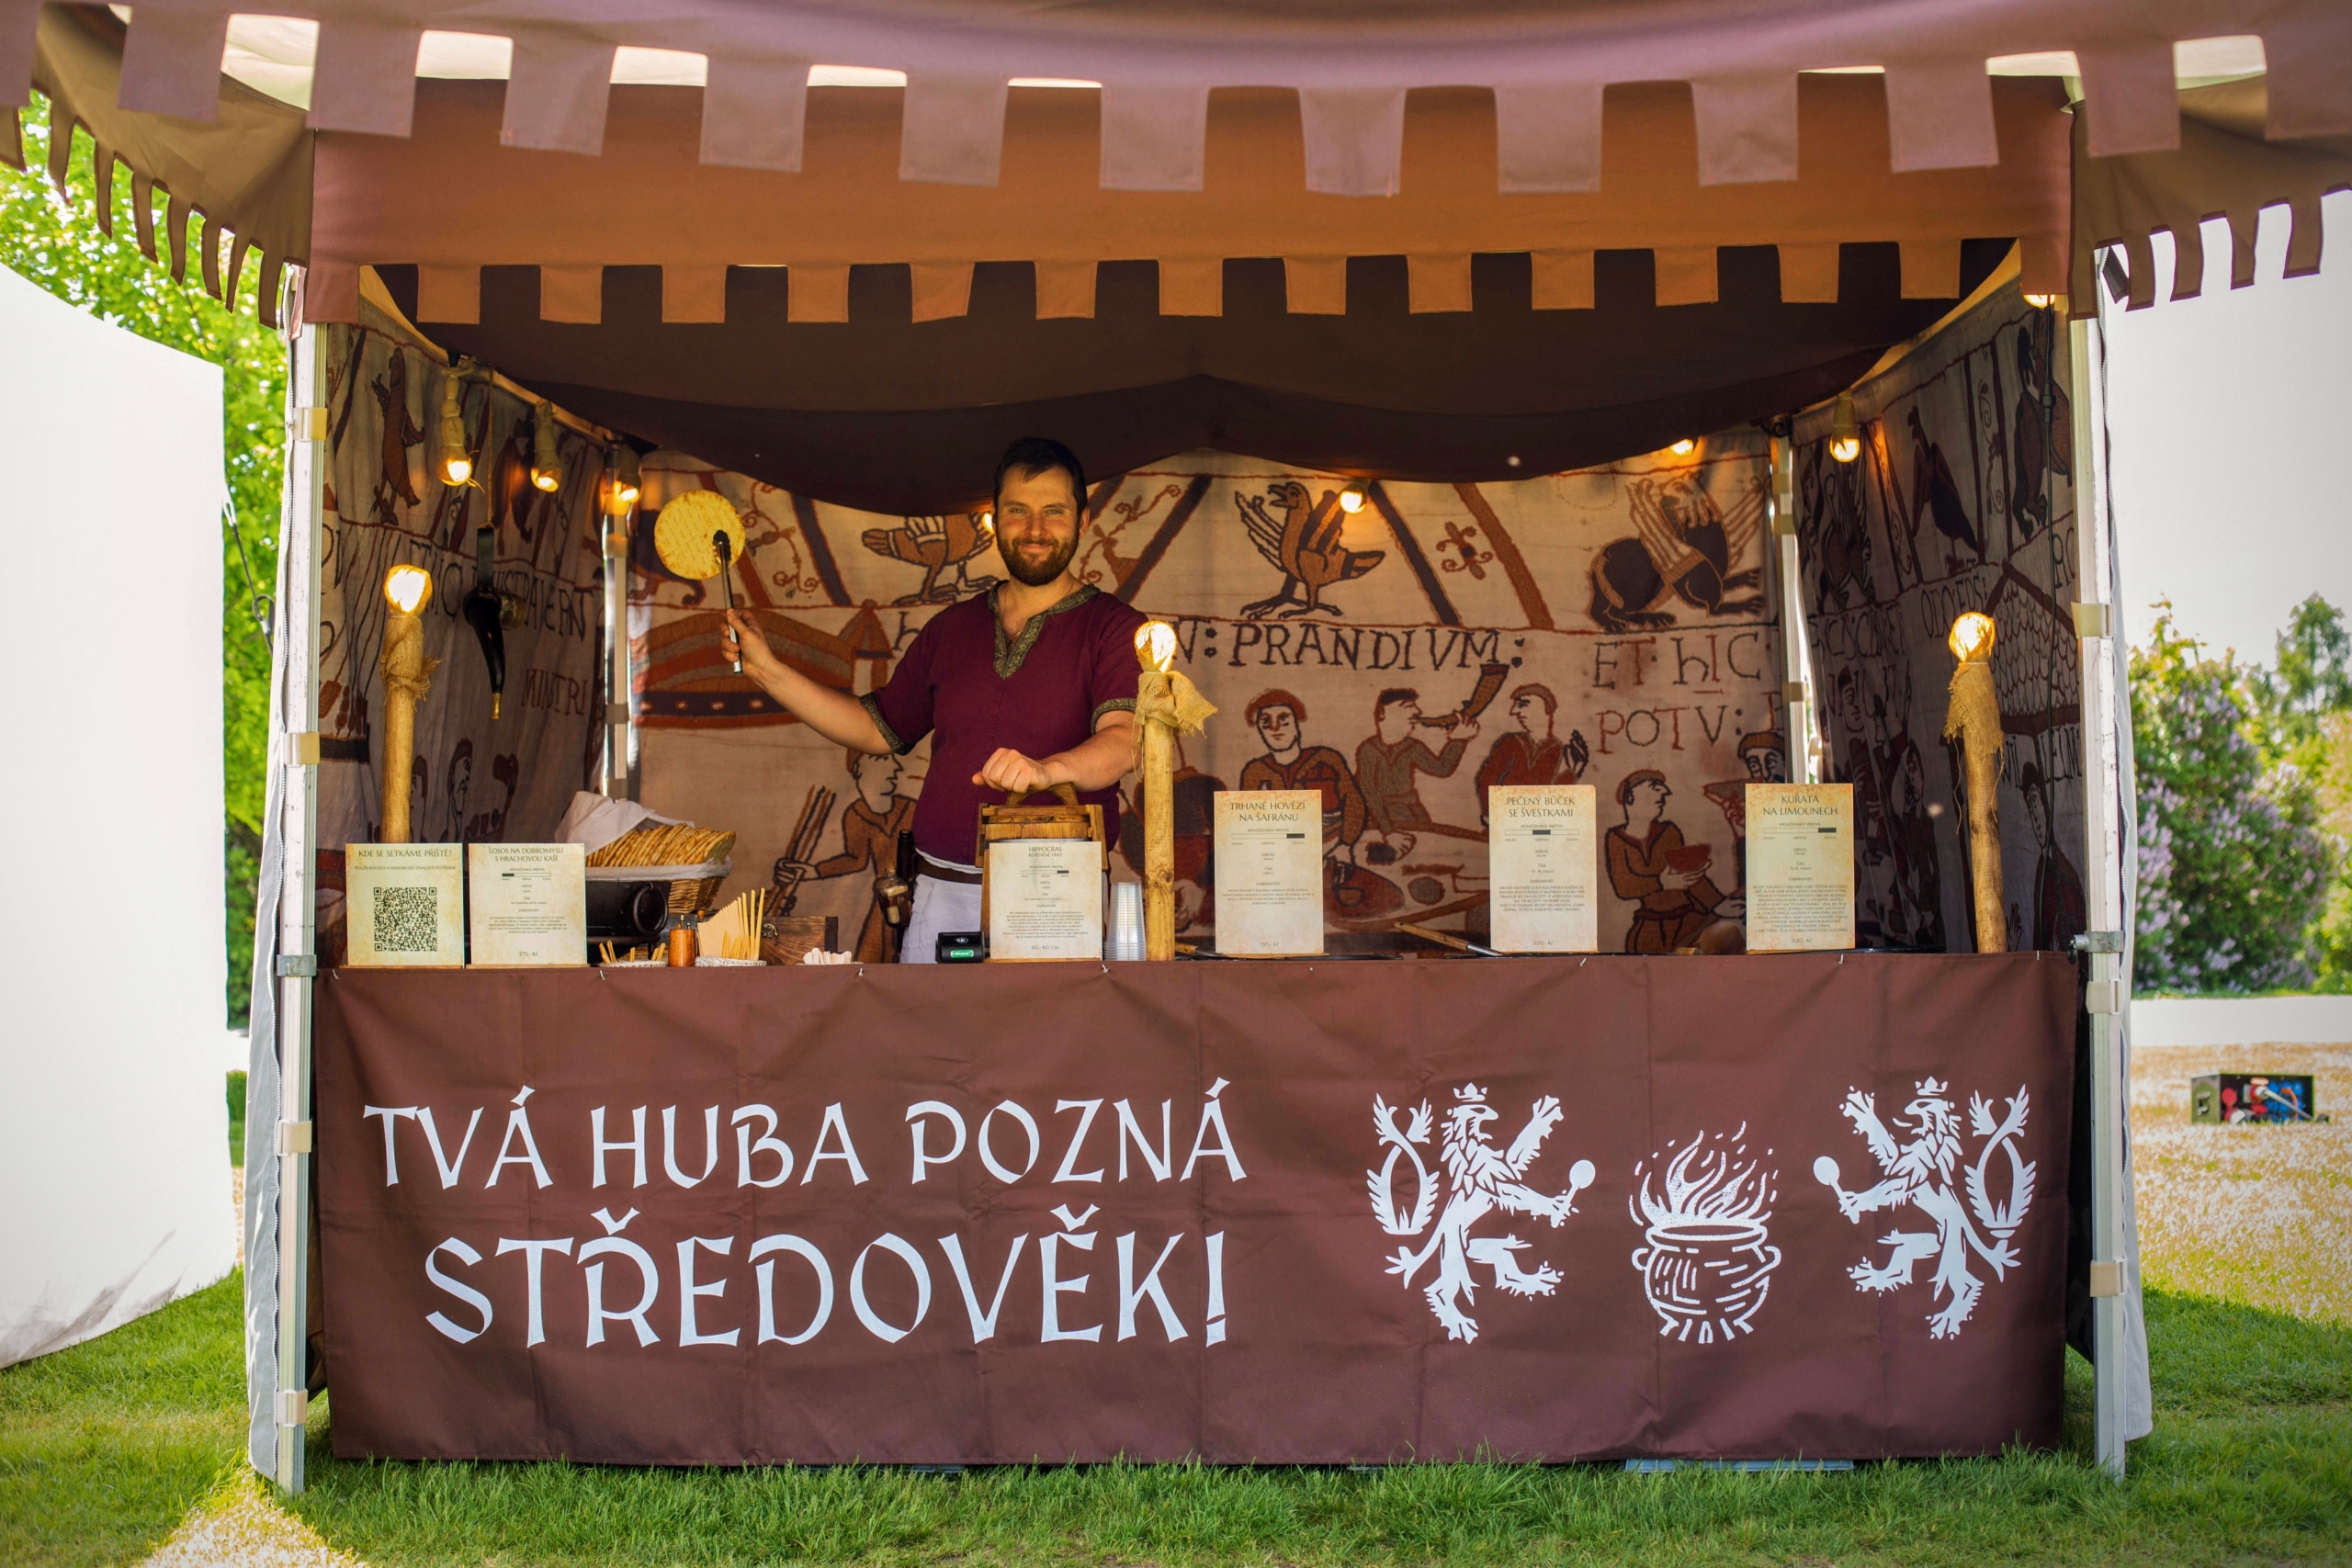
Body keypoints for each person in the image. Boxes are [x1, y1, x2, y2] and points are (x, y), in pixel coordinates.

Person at [725, 436, 1144, 961]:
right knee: (929, 1018)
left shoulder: (1115, 628)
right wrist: (768, 672)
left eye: (1054, 512)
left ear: (1082, 521)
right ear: (994, 520)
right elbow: (875, 728)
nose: (1035, 529)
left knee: (1050, 1019)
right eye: (1018, 511)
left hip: (1055, 894)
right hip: (939, 890)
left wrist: (1048, 770)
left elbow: (1126, 740)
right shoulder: (951, 629)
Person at [776, 749, 919, 963]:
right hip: (887, 900)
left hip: (916, 895)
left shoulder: (910, 809)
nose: (895, 768)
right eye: (882, 759)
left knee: (917, 952)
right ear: (860, 768)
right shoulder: (856, 814)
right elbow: (856, 859)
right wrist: (814, 871)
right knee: (874, 955)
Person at [1238, 689, 1370, 863]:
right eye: (1266, 722)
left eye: (1284, 720)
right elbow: (1248, 822)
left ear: (1296, 724)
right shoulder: (1255, 771)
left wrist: (1345, 845)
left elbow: (1353, 802)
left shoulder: (1327, 759)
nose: (1275, 728)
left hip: (1332, 845)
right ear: (1260, 730)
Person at [1604, 769, 1723, 953]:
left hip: (1688, 918)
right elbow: (1624, 887)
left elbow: (1688, 875)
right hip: (1649, 925)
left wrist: (1720, 906)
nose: (1665, 792)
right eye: (1654, 787)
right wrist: (1661, 883)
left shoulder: (1668, 831)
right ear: (1630, 796)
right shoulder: (1615, 838)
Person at [1354, 687, 1477, 857]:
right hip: (1383, 821)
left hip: (1415, 816)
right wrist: (1388, 832)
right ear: (1382, 713)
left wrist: (1458, 741)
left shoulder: (1412, 747)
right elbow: (1369, 793)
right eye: (1407, 706)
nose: (1417, 712)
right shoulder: (1368, 750)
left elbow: (1441, 769)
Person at [1473, 683, 1589, 820]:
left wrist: (1573, 773)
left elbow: (1548, 795)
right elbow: (1486, 778)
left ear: (1546, 709)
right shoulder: (1510, 741)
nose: (1514, 711)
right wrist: (1494, 815)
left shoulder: (1555, 748)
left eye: (1523, 705)